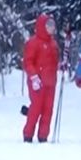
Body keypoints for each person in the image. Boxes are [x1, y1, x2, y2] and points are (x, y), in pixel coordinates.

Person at [22, 13, 60, 142]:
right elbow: (28, 61)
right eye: (49, 25)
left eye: (52, 25)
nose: (52, 28)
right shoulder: (34, 42)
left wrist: (62, 65)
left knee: (48, 109)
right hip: (37, 81)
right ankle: (28, 134)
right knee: (36, 108)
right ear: (42, 26)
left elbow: (55, 61)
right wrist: (33, 77)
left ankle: (43, 135)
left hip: (50, 82)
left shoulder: (53, 44)